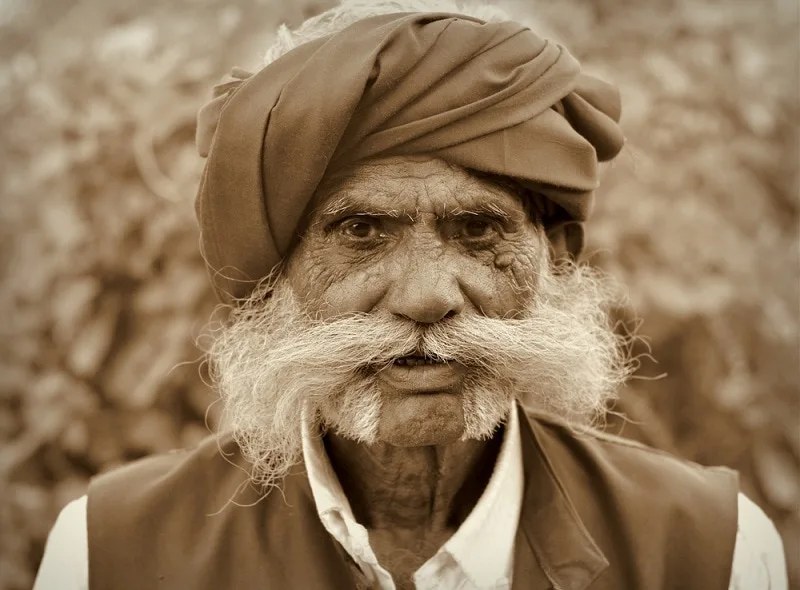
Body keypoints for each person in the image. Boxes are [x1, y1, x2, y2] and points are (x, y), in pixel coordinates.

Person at [34, 1, 787, 589]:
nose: (428, 297)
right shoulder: (111, 552)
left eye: (478, 228)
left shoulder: (711, 549)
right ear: (276, 272)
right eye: (361, 229)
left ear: (552, 258)